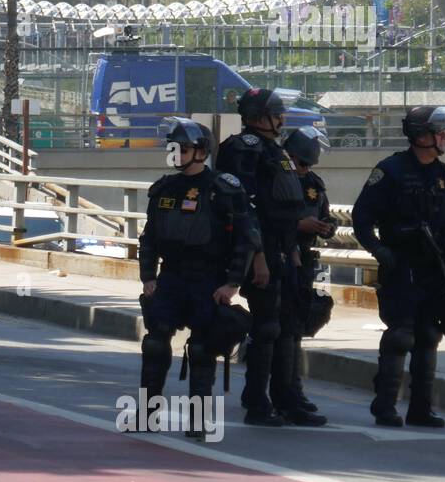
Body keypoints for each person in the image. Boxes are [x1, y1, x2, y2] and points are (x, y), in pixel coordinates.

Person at [138, 118, 257, 438]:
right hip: (171, 277)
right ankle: (146, 415)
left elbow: (244, 240)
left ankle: (198, 422)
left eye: (183, 148)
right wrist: (148, 277)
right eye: (173, 148)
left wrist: (232, 283)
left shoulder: (222, 189)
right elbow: (148, 237)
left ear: (202, 152)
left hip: (208, 279)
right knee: (154, 343)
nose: (176, 153)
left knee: (203, 350)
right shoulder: (164, 188)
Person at [352, 106, 445, 429]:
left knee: (429, 336)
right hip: (402, 267)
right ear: (421, 136)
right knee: (401, 335)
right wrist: (378, 250)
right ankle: (385, 405)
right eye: (440, 131)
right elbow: (361, 218)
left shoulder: (444, 174)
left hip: (436, 270)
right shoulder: (390, 171)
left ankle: (421, 409)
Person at [217, 88, 326, 427]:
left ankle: (286, 397)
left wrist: (291, 249)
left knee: (288, 324)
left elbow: (284, 207)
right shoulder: (242, 149)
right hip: (258, 249)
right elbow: (245, 206)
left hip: (282, 247)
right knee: (266, 326)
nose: (281, 118)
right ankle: (256, 402)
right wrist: (259, 255)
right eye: (276, 112)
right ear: (258, 116)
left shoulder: (273, 150)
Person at [282, 126, 335, 415]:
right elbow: (264, 217)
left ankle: (293, 390)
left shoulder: (314, 183)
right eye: (300, 162)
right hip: (279, 255)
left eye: (307, 164)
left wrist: (325, 227)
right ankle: (277, 392)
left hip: (304, 257)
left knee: (297, 328)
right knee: (279, 330)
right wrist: (296, 225)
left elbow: (325, 214)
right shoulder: (275, 178)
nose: (303, 169)